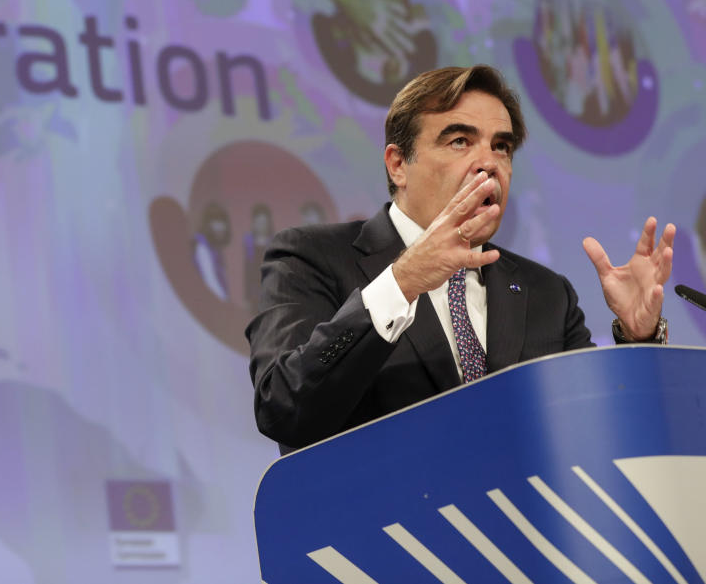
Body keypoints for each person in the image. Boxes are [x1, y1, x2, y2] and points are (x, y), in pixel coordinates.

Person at [246, 65, 675, 455]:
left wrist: (639, 341)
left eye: (502, 147)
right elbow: (283, 408)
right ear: (398, 165)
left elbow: (606, 438)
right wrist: (403, 281)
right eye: (459, 141)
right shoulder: (311, 257)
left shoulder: (547, 293)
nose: (488, 163)